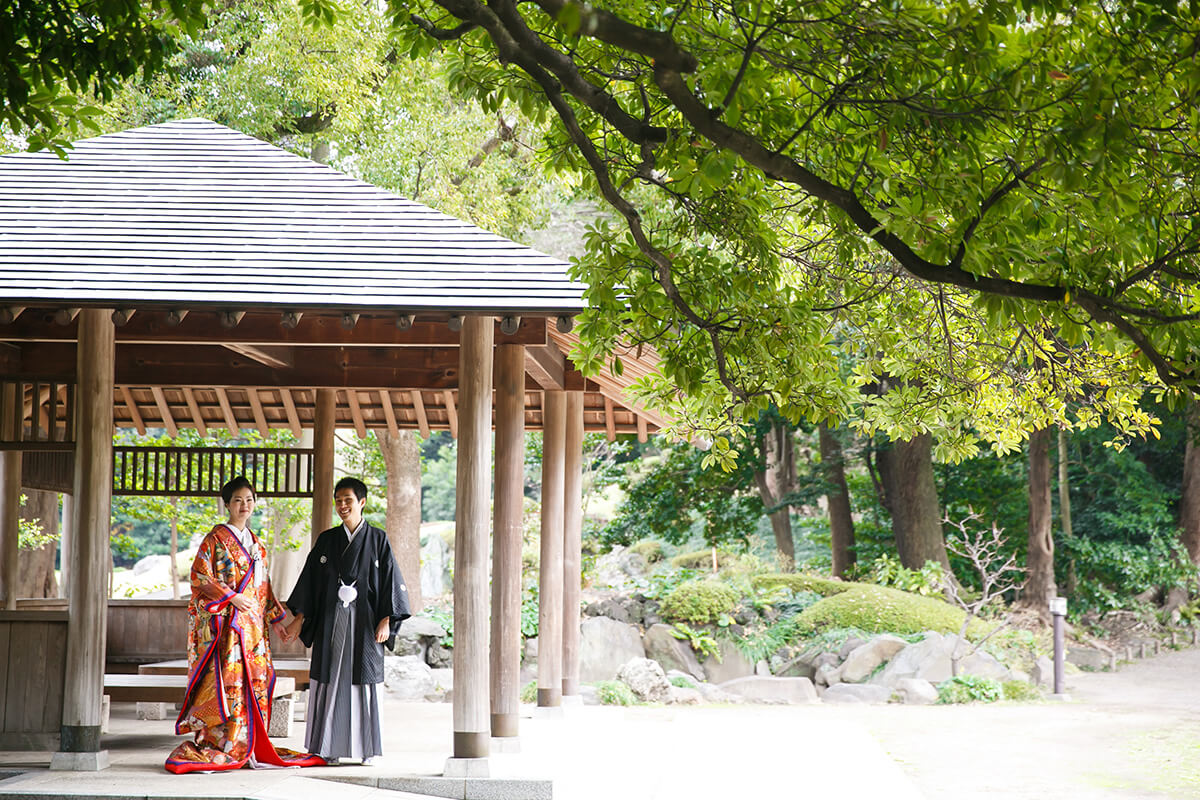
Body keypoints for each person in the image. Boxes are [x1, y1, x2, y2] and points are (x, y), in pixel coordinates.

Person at [165, 476, 324, 774]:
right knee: (230, 682)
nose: (244, 506)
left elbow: (264, 588)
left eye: (249, 500)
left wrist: (277, 621)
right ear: (226, 504)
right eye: (238, 500)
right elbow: (199, 577)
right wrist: (232, 597)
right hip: (227, 628)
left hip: (253, 629)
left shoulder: (257, 545)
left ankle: (251, 743)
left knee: (256, 682)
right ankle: (226, 742)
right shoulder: (215, 540)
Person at [285, 477, 410, 764]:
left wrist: (387, 620)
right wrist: (299, 620)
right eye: (338, 500)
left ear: (362, 502)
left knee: (363, 680)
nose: (342, 505)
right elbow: (311, 583)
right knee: (331, 679)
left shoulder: (378, 539)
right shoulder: (328, 540)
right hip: (332, 620)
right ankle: (328, 747)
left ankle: (368, 749)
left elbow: (391, 581)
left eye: (348, 500)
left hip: (366, 622)